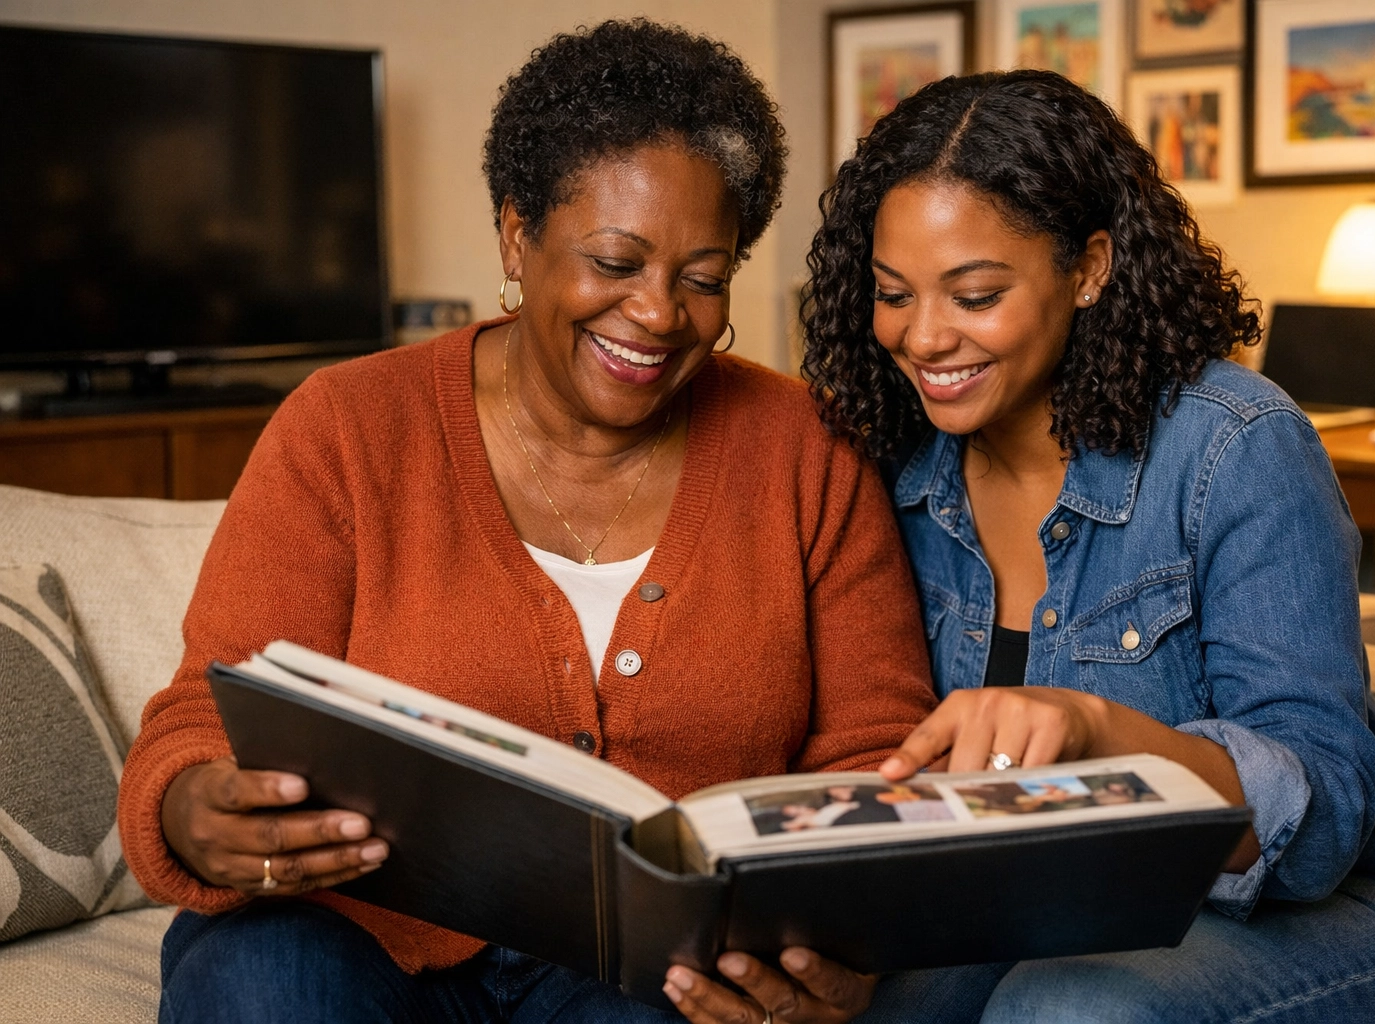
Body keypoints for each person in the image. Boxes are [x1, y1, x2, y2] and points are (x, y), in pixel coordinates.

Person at [117, 20, 970, 1024]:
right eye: (615, 262)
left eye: (703, 278)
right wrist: (192, 806)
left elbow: (874, 755)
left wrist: (844, 940)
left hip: (642, 971)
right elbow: (204, 718)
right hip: (348, 937)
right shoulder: (346, 426)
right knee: (264, 984)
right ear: (517, 236)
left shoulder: (807, 450)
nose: (658, 313)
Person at [801, 68, 1375, 1022]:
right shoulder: (898, 467)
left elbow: (1323, 825)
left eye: (976, 294)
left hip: (1338, 915)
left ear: (1090, 268)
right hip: (1054, 903)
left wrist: (1100, 735)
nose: (923, 338)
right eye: (892, 294)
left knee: (1069, 1011)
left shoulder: (1235, 447)